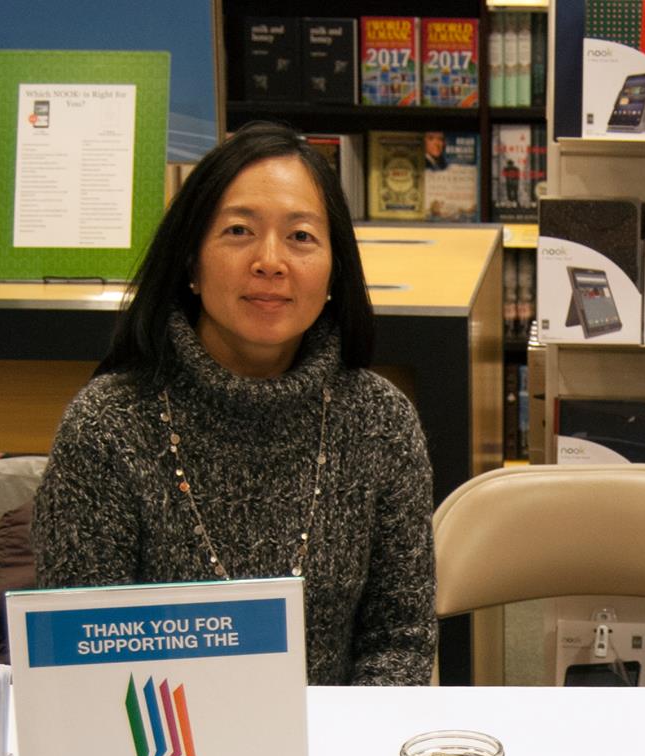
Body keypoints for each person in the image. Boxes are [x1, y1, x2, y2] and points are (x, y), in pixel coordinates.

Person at [34, 122, 436, 686]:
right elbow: (80, 664)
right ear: (191, 263)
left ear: (333, 273)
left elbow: (400, 646)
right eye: (240, 230)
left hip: (334, 750)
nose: (270, 260)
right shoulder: (107, 427)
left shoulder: (379, 421)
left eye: (301, 237)